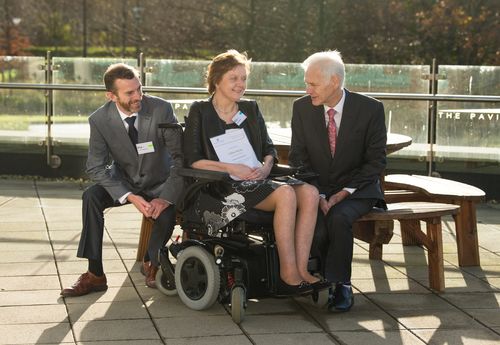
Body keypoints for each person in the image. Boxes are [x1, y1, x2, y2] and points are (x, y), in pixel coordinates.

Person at [183, 50, 327, 296]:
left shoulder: (250, 109)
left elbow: (268, 149)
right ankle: (287, 274)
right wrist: (230, 168)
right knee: (285, 194)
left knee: (311, 193)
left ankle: (302, 271)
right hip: (222, 187)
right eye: (233, 78)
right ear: (217, 80)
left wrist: (266, 166)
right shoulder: (201, 111)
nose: (240, 84)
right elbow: (194, 161)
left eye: (243, 78)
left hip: (256, 179)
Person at [61, 63, 183, 297]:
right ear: (111, 95)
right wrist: (129, 196)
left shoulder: (162, 109)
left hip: (161, 182)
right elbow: (95, 167)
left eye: (139, 89)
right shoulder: (99, 120)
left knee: (167, 209)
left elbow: (180, 159)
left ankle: (152, 262)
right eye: (130, 93)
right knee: (91, 197)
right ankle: (95, 275)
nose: (138, 96)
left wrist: (166, 197)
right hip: (126, 183)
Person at [289, 50, 387, 311]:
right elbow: (298, 158)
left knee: (339, 217)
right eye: (306, 83)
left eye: (313, 84)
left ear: (334, 82)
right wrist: (317, 194)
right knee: (318, 224)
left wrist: (344, 191)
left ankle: (341, 284)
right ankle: (320, 280)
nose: (307, 89)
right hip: (316, 187)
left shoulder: (371, 109)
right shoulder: (301, 108)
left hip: (358, 189)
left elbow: (376, 161)